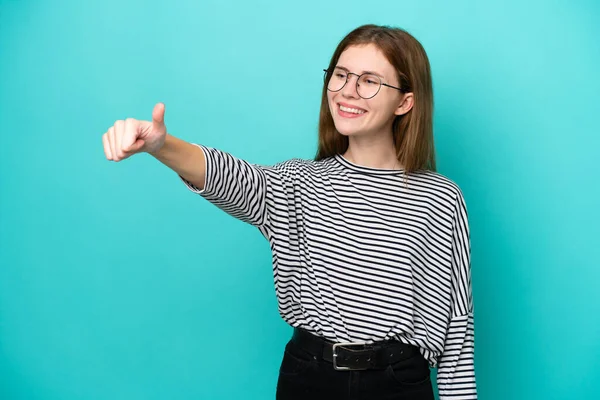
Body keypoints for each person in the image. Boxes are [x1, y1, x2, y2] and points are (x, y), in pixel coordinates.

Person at [102, 24, 477, 400]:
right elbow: (230, 176)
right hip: (310, 378)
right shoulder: (297, 183)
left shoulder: (439, 197)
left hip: (398, 383)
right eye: (341, 75)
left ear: (404, 102)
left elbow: (457, 328)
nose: (348, 90)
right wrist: (161, 146)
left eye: (369, 81)